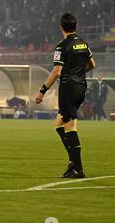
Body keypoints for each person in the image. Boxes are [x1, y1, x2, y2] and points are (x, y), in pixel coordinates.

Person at [35, 13, 96, 179]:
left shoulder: (62, 46)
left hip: (68, 88)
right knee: (59, 124)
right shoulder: (83, 43)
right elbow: (92, 64)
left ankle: (78, 168)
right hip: (81, 87)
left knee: (70, 127)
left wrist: (42, 91)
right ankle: (72, 163)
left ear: (61, 27)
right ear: (75, 26)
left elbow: (56, 71)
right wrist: (79, 74)